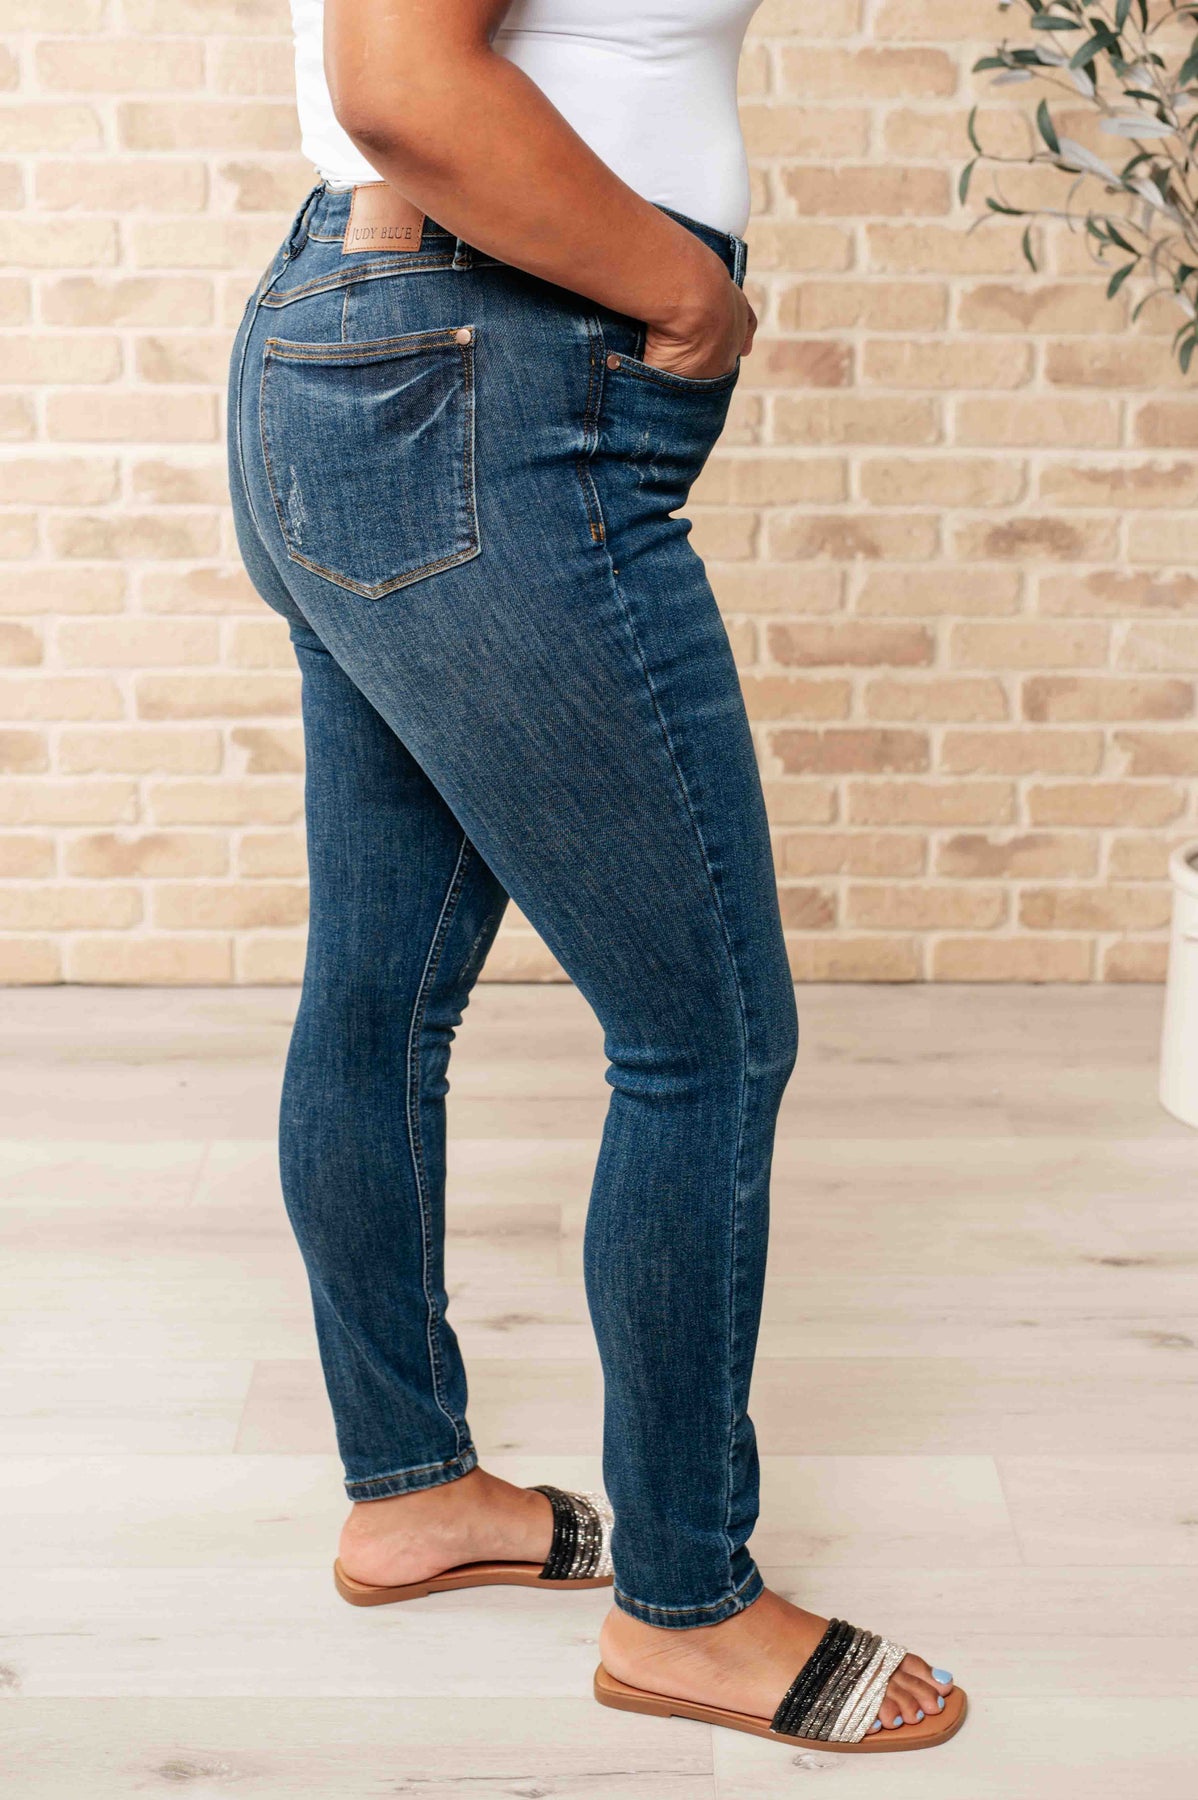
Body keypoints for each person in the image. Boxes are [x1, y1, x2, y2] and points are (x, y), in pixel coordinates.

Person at [226, 0, 965, 1755]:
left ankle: (413, 1495)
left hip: (393, 363)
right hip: (487, 386)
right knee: (705, 1040)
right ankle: (688, 1609)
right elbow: (403, 83)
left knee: (380, 998)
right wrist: (687, 293)